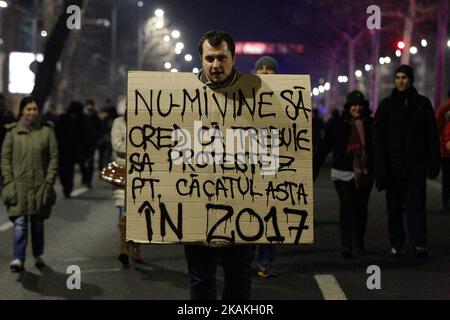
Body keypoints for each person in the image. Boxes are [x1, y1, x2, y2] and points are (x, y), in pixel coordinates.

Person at [184, 30, 253, 300]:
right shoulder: (182, 99)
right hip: (197, 206)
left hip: (244, 205)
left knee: (239, 275)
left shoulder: (254, 98)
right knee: (201, 276)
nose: (216, 65)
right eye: (210, 58)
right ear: (201, 59)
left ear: (233, 59)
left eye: (222, 58)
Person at [373, 65, 440, 258]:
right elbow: (378, 138)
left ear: (410, 80)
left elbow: (431, 135)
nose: (401, 81)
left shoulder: (422, 104)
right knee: (394, 209)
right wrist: (381, 167)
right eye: (398, 77)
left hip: (415, 167)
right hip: (393, 168)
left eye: (404, 77)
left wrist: (434, 162)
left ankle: (418, 242)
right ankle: (397, 242)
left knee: (416, 207)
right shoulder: (386, 106)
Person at [314, 90, 374, 258]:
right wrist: (313, 170)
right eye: (354, 105)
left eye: (360, 105)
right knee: (347, 205)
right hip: (342, 172)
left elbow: (377, 148)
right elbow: (325, 147)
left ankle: (359, 243)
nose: (357, 108)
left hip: (365, 173)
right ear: (348, 107)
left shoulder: (370, 123)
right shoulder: (337, 124)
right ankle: (346, 244)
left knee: (361, 208)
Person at [1, 96, 58, 272]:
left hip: (40, 186)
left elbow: (54, 157)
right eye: (28, 109)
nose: (31, 112)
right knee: (20, 224)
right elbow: (5, 158)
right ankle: (18, 258)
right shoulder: (12, 132)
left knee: (37, 223)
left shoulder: (47, 132)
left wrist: (49, 181)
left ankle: (38, 254)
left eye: (34, 109)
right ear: (22, 111)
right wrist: (9, 181)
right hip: (18, 186)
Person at [253, 56, 279, 278]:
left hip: (273, 164)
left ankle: (265, 261)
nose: (264, 72)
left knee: (270, 215)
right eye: (260, 68)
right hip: (249, 163)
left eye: (269, 69)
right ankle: (245, 259)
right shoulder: (245, 94)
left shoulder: (288, 96)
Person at [111, 113, 142, 266]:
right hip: (122, 174)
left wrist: (127, 144)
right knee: (123, 212)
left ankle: (135, 246)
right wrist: (137, 145)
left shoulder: (144, 120)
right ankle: (124, 250)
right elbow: (116, 145)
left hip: (140, 172)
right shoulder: (118, 122)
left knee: (138, 212)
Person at [55, 101, 85, 198]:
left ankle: (68, 188)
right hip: (62, 149)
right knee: (62, 171)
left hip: (73, 151)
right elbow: (56, 132)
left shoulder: (81, 120)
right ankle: (66, 185)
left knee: (69, 171)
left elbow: (84, 135)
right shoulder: (63, 119)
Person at [435, 89, 450, 212]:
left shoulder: (443, 108)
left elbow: (437, 128)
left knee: (447, 178)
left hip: (446, 149)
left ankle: (446, 202)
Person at [81, 99, 101, 188]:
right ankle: (84, 177)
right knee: (82, 162)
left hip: (92, 143)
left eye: (91, 105)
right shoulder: (81, 116)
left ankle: (88, 180)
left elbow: (99, 128)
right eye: (88, 105)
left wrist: (97, 139)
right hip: (82, 143)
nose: (90, 107)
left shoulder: (95, 116)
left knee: (90, 163)